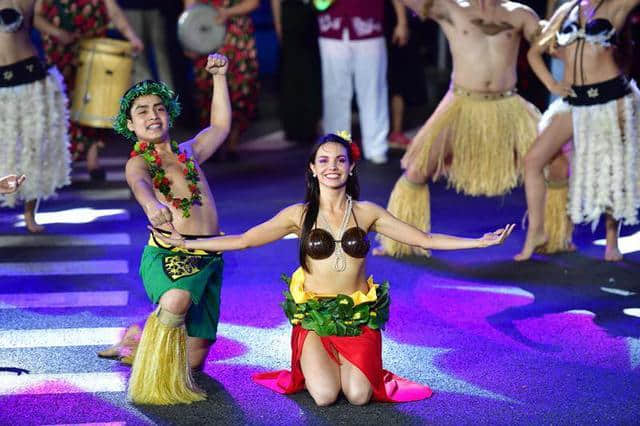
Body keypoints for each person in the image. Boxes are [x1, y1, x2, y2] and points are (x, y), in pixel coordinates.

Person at [151, 132, 514, 406]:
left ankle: (347, 367)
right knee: (324, 396)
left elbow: (425, 238)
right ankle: (319, 366)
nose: (332, 168)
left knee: (357, 395)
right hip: (314, 320)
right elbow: (245, 240)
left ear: (351, 166)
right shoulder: (299, 215)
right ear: (312, 168)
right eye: (323, 161)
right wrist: (189, 243)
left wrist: (478, 242)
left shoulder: (368, 212)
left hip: (357, 318)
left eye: (339, 161)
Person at [376, 0, 542, 257]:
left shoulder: (521, 13)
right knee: (417, 170)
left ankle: (547, 235)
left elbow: (548, 41)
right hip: (461, 103)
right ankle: (401, 240)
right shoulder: (452, 8)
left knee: (556, 165)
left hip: (508, 105)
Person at [113, 53, 231, 404]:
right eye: (142, 111)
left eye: (158, 108)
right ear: (131, 126)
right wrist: (153, 206)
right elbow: (140, 184)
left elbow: (220, 127)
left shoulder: (188, 152)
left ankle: (138, 336)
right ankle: (149, 365)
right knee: (176, 298)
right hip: (169, 253)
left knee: (194, 361)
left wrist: (220, 78)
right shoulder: (139, 161)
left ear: (169, 114)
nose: (152, 115)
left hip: (208, 257)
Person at [516, 0, 640, 261]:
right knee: (533, 161)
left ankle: (611, 242)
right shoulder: (567, 9)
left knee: (611, 172)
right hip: (574, 102)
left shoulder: (616, 5)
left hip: (610, 100)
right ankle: (537, 232)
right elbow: (534, 53)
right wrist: (551, 83)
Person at [35, 0, 143, 180]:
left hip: (94, 52)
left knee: (93, 103)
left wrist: (132, 36)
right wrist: (57, 32)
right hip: (59, 53)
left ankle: (93, 161)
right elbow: (36, 17)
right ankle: (62, 162)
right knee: (60, 108)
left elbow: (114, 13)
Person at [0, 0, 71, 233]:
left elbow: (37, 19)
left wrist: (57, 32)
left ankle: (30, 214)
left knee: (33, 149)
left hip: (30, 76)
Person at [316, 0, 409, 165]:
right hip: (332, 24)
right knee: (335, 93)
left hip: (368, 22)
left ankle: (376, 147)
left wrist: (402, 21)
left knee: (373, 91)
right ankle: (336, 148)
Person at [184, 0, 259, 160]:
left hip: (236, 35)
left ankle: (232, 144)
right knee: (207, 90)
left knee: (241, 88)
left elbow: (253, 3)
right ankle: (212, 146)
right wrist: (187, 37)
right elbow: (189, 5)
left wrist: (227, 12)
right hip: (206, 31)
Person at [271, 0, 322, 144]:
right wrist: (278, 23)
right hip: (290, 17)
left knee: (311, 73)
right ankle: (293, 126)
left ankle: (310, 124)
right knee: (291, 74)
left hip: (312, 16)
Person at [120, 0, 174, 87]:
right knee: (138, 56)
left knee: (160, 57)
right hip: (130, 8)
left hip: (156, 7)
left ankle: (167, 97)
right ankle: (147, 96)